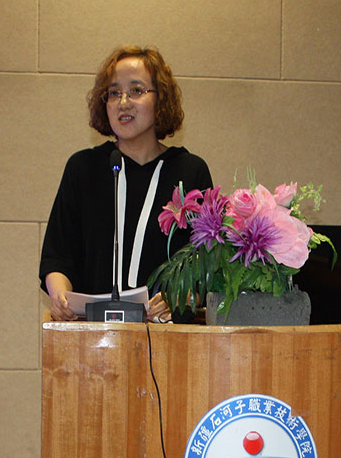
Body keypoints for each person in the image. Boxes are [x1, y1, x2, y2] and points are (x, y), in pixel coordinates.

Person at [39, 45, 212, 322]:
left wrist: (183, 297)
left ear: (161, 98)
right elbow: (57, 257)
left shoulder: (190, 172)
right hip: (92, 334)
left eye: (136, 90)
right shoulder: (83, 168)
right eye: (114, 93)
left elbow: (206, 265)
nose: (123, 102)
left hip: (165, 335)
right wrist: (60, 297)